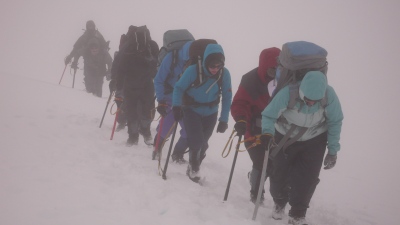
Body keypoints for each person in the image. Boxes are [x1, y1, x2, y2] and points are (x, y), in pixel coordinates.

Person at [261, 70, 343, 224]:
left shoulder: (329, 94)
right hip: (284, 137)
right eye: (308, 99)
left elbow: (335, 121)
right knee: (279, 174)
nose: (311, 103)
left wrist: (333, 151)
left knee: (307, 178)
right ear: (302, 91)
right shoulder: (288, 93)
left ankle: (298, 214)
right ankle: (279, 201)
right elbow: (269, 115)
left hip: (314, 139)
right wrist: (267, 134)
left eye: (315, 100)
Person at [172, 43, 232, 183]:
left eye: (219, 66)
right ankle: (194, 169)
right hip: (191, 110)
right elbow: (179, 88)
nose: (215, 70)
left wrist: (224, 119)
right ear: (206, 62)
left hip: (211, 112)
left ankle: (194, 163)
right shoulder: (193, 70)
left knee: (203, 143)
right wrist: (176, 107)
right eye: (212, 66)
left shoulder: (224, 74)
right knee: (197, 140)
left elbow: (227, 97)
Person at [230, 47, 281, 203]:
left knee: (274, 164)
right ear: (264, 67)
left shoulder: (285, 82)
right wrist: (240, 119)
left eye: (279, 70)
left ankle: (259, 183)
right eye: (272, 70)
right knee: (261, 162)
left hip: (276, 130)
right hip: (253, 130)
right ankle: (256, 193)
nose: (276, 75)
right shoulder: (250, 80)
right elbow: (240, 103)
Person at [115, 25, 159, 146]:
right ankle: (141, 133)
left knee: (134, 111)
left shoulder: (129, 48)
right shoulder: (150, 46)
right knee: (142, 110)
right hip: (144, 85)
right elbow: (158, 65)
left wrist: (118, 87)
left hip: (133, 84)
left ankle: (135, 136)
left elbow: (120, 69)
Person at [153, 41, 193, 163]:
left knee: (189, 130)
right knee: (165, 128)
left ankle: (177, 154)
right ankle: (156, 150)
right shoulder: (172, 58)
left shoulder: (198, 60)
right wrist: (161, 100)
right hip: (169, 97)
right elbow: (159, 80)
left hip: (186, 101)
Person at [64, 20, 112, 97]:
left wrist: (110, 71)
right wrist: (72, 59)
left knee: (98, 86)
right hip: (89, 65)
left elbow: (109, 60)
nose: (90, 28)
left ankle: (96, 101)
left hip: (100, 66)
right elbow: (76, 50)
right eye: (89, 26)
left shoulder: (98, 37)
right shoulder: (84, 39)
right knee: (89, 86)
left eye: (92, 26)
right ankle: (90, 100)